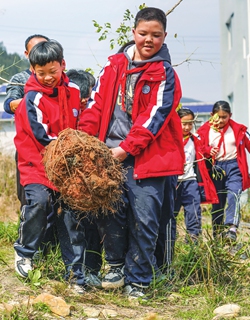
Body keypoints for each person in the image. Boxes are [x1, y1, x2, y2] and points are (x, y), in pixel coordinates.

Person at [78, 7, 184, 298]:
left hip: (146, 159)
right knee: (109, 211)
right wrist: (86, 141)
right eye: (143, 33)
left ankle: (139, 281)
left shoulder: (164, 73)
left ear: (164, 36)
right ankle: (115, 267)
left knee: (146, 219)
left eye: (156, 35)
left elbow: (154, 119)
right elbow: (94, 106)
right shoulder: (113, 65)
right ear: (133, 32)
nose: (149, 40)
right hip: (108, 153)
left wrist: (125, 150)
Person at [13, 40, 86, 293]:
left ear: (62, 65)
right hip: (37, 164)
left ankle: (76, 274)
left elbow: (83, 121)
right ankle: (24, 252)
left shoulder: (75, 91)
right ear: (32, 69)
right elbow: (42, 135)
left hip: (67, 167)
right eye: (40, 73)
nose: (47, 78)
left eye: (52, 72)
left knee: (72, 216)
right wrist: (75, 148)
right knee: (39, 204)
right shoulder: (32, 98)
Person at [4, 34, 49, 208]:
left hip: (54, 148)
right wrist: (35, 103)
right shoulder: (21, 79)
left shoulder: (57, 77)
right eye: (35, 51)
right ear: (27, 54)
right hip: (28, 149)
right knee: (29, 199)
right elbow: (9, 104)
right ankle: (29, 233)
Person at [66, 69, 102, 287]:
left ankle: (90, 270)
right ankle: (82, 271)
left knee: (89, 227)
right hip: (75, 182)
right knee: (79, 228)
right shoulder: (69, 111)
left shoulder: (89, 114)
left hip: (88, 181)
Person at [197, 100, 250, 242]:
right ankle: (217, 235)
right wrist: (208, 150)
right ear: (212, 115)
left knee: (234, 194)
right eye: (218, 116)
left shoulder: (239, 130)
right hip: (216, 168)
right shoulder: (204, 130)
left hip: (234, 167)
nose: (221, 120)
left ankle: (232, 228)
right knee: (218, 202)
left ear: (230, 115)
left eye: (224, 117)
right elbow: (197, 148)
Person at [172, 108, 218, 244]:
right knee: (170, 215)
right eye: (184, 124)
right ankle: (170, 242)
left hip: (190, 181)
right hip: (174, 182)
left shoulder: (195, 139)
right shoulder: (171, 140)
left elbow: (203, 149)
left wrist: (210, 151)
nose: (187, 127)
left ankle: (193, 243)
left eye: (190, 124)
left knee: (194, 213)